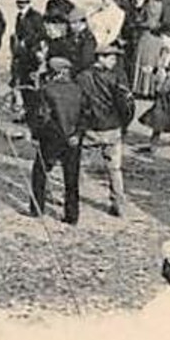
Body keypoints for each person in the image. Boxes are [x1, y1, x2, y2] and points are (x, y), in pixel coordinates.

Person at [78, 45, 134, 217]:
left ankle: (74, 195)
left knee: (77, 163)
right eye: (111, 57)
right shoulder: (116, 78)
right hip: (112, 128)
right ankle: (119, 204)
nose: (114, 61)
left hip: (90, 128)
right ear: (100, 57)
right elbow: (126, 106)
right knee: (114, 169)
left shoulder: (82, 77)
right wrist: (124, 124)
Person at [32, 57, 83, 224]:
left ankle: (37, 208)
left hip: (51, 139)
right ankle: (72, 215)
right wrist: (77, 134)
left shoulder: (47, 90)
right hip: (74, 139)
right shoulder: (78, 90)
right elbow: (86, 115)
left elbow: (42, 117)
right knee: (71, 179)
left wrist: (36, 135)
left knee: (40, 172)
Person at [8, 0, 47, 116]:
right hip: (22, 55)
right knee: (22, 82)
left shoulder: (35, 16)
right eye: (19, 2)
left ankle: (31, 112)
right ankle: (24, 111)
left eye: (23, 2)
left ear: (28, 2)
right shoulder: (19, 16)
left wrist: (27, 41)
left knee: (30, 84)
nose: (20, 4)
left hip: (32, 55)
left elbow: (41, 33)